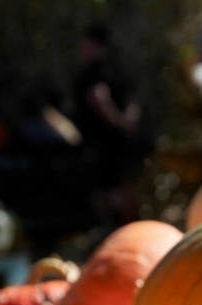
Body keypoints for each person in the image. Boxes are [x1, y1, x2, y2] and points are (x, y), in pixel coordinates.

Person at [71, 21, 147, 225]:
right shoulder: (119, 67)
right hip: (118, 139)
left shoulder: (95, 71)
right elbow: (133, 100)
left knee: (109, 189)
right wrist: (128, 121)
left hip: (103, 141)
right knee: (119, 185)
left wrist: (118, 121)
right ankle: (121, 225)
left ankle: (113, 226)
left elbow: (99, 97)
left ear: (95, 45)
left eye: (86, 45)